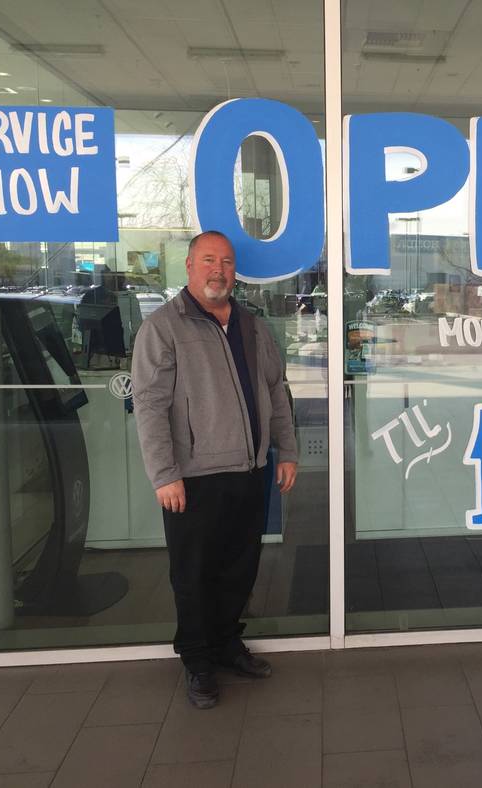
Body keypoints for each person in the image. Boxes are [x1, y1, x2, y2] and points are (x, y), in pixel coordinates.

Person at [131, 230, 298, 710]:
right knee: (194, 573)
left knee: (240, 569)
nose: (218, 270)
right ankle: (198, 661)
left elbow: (275, 392)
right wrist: (164, 474)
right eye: (208, 260)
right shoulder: (164, 328)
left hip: (249, 470)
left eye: (225, 261)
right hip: (193, 477)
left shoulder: (252, 327)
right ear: (189, 266)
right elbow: (149, 406)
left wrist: (284, 450)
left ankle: (227, 644)